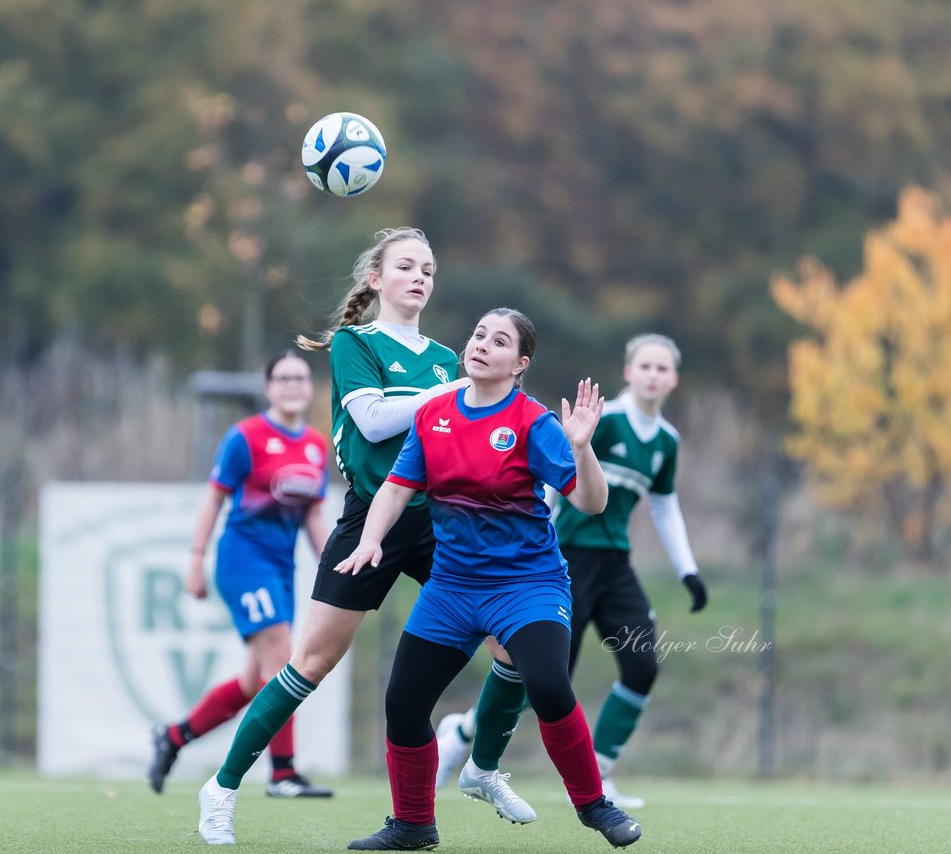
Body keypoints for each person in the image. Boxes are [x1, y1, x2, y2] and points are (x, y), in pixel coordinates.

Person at [196, 228, 534, 846]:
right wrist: (454, 391)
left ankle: (481, 765)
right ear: (376, 279)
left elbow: (467, 430)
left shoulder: (443, 356)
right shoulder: (357, 342)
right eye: (406, 266)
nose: (420, 277)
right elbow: (375, 421)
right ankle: (221, 787)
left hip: (439, 521)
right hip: (371, 517)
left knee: (516, 644)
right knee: (313, 661)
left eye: (429, 269)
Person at [337, 308, 642, 851]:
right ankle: (412, 824)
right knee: (403, 704)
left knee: (549, 686)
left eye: (498, 341)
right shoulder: (434, 415)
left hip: (527, 585)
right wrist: (370, 539)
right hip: (451, 589)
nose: (481, 344)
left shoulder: (533, 422)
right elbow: (395, 487)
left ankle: (595, 806)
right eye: (478, 334)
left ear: (519, 363)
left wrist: (582, 445)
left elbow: (591, 503)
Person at [434, 332, 708, 810]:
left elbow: (664, 506)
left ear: (674, 379)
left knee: (642, 664)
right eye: (645, 365)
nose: (653, 375)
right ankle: (462, 730)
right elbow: (554, 479)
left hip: (615, 565)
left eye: (662, 368)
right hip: (565, 558)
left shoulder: (666, 440)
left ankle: (600, 773)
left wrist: (688, 569)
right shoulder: (608, 421)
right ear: (628, 372)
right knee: (544, 679)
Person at [149, 351, 333, 798]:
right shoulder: (245, 437)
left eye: (301, 378)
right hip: (243, 561)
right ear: (267, 388)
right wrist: (196, 560)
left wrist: (334, 568)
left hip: (282, 569)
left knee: (256, 682)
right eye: (283, 378)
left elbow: (311, 516)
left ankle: (174, 737)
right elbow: (214, 499)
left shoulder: (315, 445)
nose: (292, 385)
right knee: (285, 665)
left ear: (310, 388)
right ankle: (283, 773)